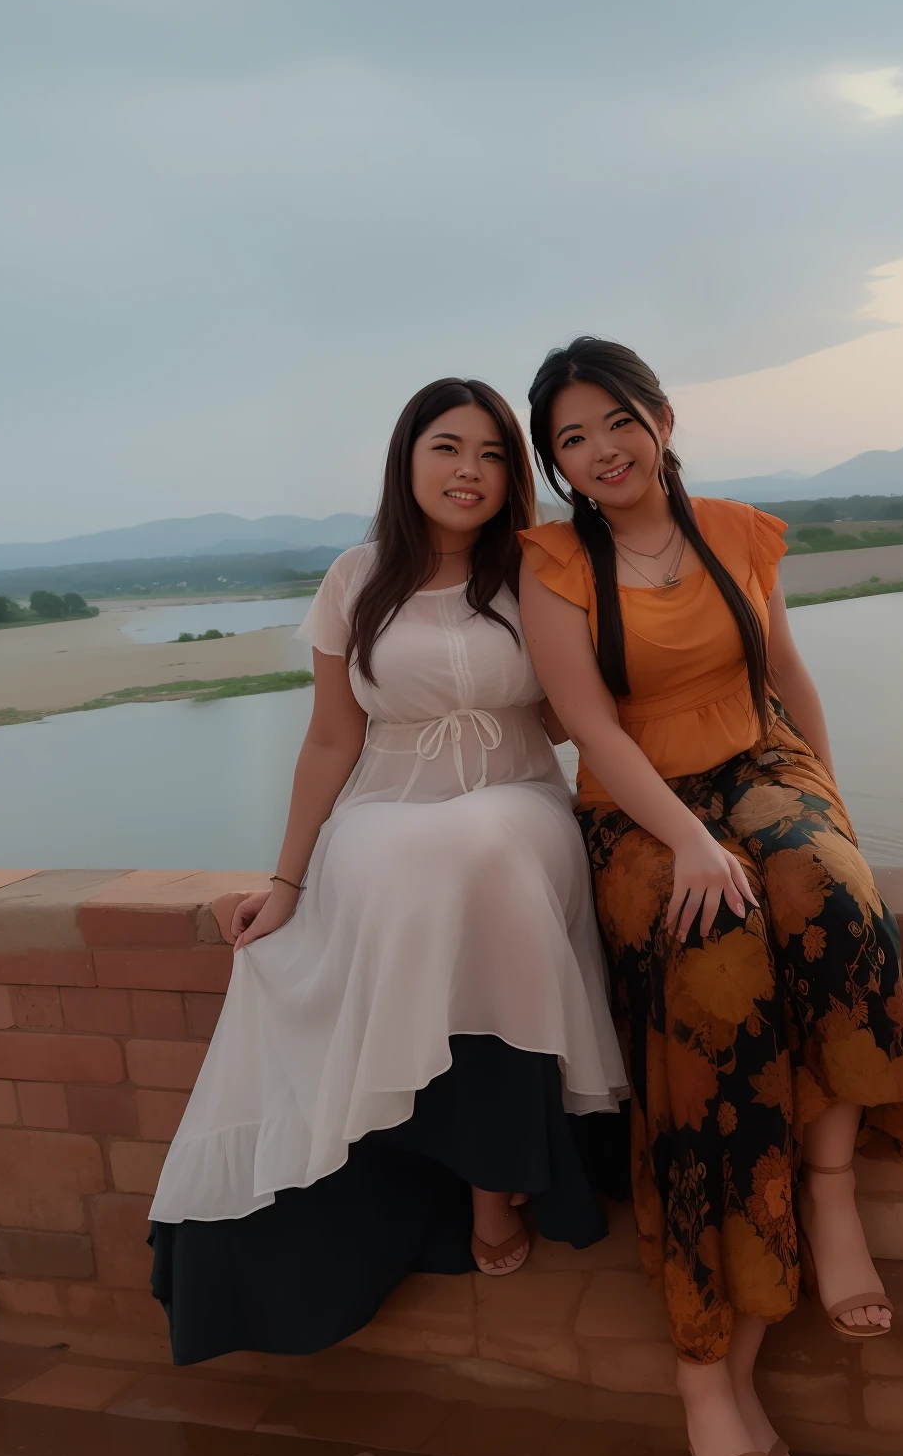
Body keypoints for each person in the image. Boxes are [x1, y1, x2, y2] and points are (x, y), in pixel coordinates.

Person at [519, 338, 903, 1456]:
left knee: (837, 902)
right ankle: (710, 1371)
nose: (599, 453)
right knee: (713, 970)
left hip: (761, 764)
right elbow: (589, 722)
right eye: (570, 441)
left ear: (660, 413)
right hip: (642, 806)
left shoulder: (743, 530)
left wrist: (831, 811)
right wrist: (690, 841)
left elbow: (786, 669)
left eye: (614, 422)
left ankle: (831, 1190)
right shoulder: (554, 564)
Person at [149, 378, 627, 1364]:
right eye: (448, 447)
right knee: (400, 868)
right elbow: (331, 737)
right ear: (407, 459)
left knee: (485, 847)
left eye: (494, 453)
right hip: (385, 808)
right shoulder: (355, 577)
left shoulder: (539, 568)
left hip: (518, 802)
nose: (470, 470)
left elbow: (585, 715)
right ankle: (422, 1182)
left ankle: (496, 1186)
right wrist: (286, 882)